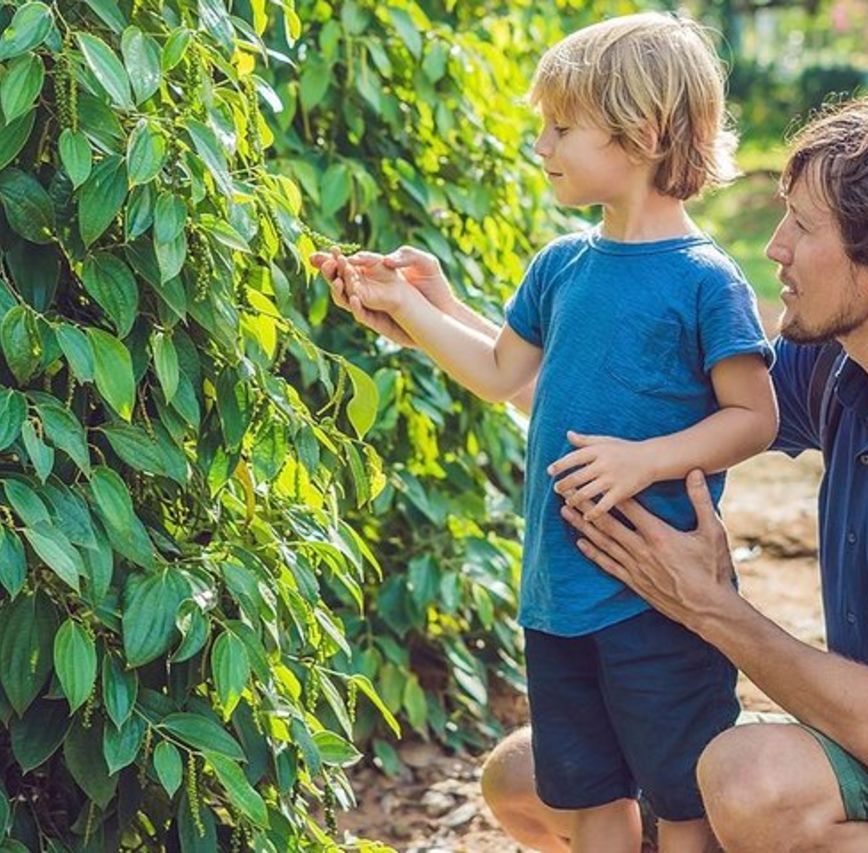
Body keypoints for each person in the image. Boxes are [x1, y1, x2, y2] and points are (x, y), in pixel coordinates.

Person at [468, 86, 868, 852]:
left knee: (754, 780)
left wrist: (709, 605)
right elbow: (613, 412)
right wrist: (427, 318)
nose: (774, 246)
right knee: (526, 777)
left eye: (802, 226)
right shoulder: (838, 370)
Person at [313, 13, 777, 853]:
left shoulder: (707, 281)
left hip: (656, 600)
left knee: (681, 801)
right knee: (591, 793)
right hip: (558, 597)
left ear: (641, 132)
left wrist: (648, 459)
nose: (541, 146)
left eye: (561, 127)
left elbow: (755, 417)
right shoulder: (560, 264)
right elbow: (500, 372)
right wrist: (411, 306)